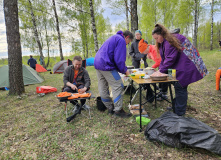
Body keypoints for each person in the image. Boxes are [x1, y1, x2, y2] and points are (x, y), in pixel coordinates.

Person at [152, 24, 208, 116]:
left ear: (162, 34)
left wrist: (161, 71)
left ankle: (180, 113)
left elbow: (170, 58)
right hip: (181, 64)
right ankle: (177, 106)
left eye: (157, 38)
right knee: (177, 85)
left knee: (181, 86)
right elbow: (164, 59)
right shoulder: (164, 42)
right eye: (155, 39)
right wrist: (159, 70)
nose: (156, 40)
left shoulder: (169, 41)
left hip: (188, 64)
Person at [94, 30, 133, 118]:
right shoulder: (121, 40)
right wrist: (125, 70)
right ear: (127, 37)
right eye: (128, 42)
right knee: (118, 85)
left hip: (97, 63)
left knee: (102, 86)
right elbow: (119, 59)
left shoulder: (114, 37)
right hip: (106, 64)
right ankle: (118, 110)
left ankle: (110, 108)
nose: (127, 44)